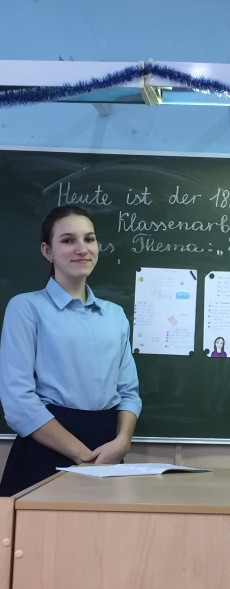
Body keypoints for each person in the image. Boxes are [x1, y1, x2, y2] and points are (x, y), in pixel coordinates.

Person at [0, 205, 142, 496]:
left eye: (89, 239)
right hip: (46, 448)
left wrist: (122, 442)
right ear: (47, 251)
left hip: (107, 450)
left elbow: (128, 392)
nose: (82, 249)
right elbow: (18, 401)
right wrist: (82, 455)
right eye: (67, 240)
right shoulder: (26, 308)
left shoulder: (115, 315)